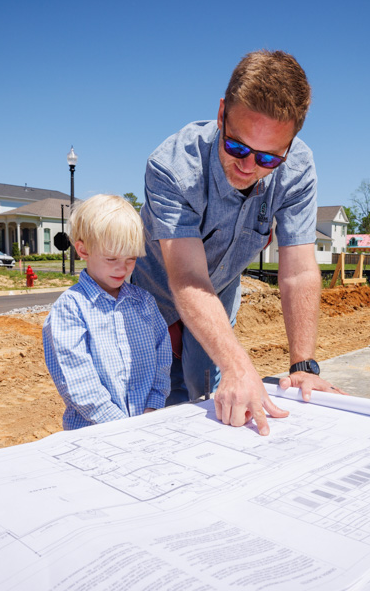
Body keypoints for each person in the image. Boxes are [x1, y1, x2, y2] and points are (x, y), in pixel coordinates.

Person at [132, 49, 342, 436]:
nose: (248, 167)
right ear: (221, 114)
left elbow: (298, 270)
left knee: (210, 399)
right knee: (153, 404)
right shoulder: (173, 166)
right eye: (237, 147)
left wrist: (303, 366)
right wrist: (239, 364)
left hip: (219, 294)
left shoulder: (298, 169)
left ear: (290, 144)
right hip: (151, 300)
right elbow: (188, 276)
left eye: (268, 159)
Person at [43, 194, 171, 430]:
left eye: (131, 258)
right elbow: (78, 382)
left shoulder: (144, 302)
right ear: (83, 250)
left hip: (145, 423)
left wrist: (153, 406)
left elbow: (162, 358)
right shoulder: (70, 309)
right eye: (111, 258)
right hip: (94, 433)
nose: (122, 268)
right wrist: (121, 426)